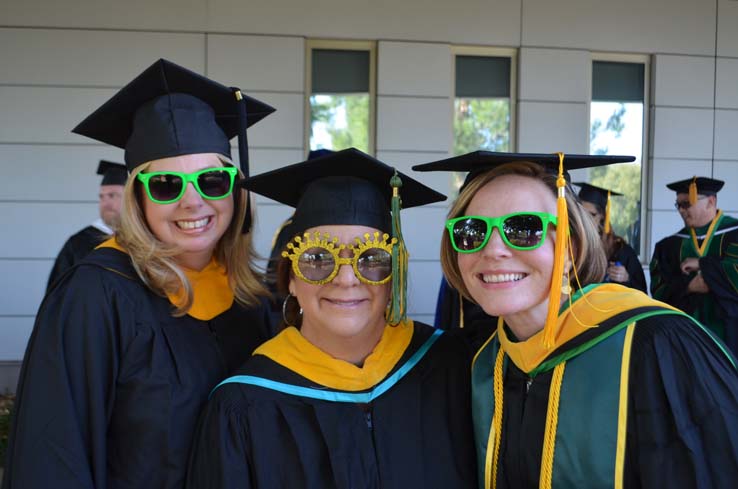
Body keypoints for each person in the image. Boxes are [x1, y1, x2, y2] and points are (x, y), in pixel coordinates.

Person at [2, 59, 276, 489]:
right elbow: (54, 451)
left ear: (236, 189)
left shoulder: (254, 297)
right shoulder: (97, 294)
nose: (193, 202)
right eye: (166, 185)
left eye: (212, 180)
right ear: (138, 199)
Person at [414, 151, 738, 489]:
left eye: (525, 228)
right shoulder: (477, 361)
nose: (493, 249)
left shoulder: (659, 348)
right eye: (471, 231)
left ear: (571, 249)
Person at [186, 148, 478, 488]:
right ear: (291, 279)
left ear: (393, 276)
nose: (346, 278)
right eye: (317, 259)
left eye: (371, 258)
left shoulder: (451, 368)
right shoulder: (242, 404)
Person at [650, 176, 738, 353]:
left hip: (731, 339)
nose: (682, 210)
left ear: (711, 202)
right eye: (679, 205)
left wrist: (703, 265)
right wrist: (689, 286)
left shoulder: (734, 234)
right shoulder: (668, 246)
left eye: (687, 203)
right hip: (683, 342)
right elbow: (659, 291)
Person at [46, 160, 127, 291]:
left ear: (130, 198)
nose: (105, 204)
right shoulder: (78, 243)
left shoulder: (146, 238)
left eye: (112, 195)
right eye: (102, 197)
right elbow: (57, 294)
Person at [575, 182, 647, 292]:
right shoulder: (570, 244)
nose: (585, 220)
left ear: (602, 217)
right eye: (582, 214)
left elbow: (642, 292)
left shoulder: (619, 249)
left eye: (591, 215)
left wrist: (626, 279)